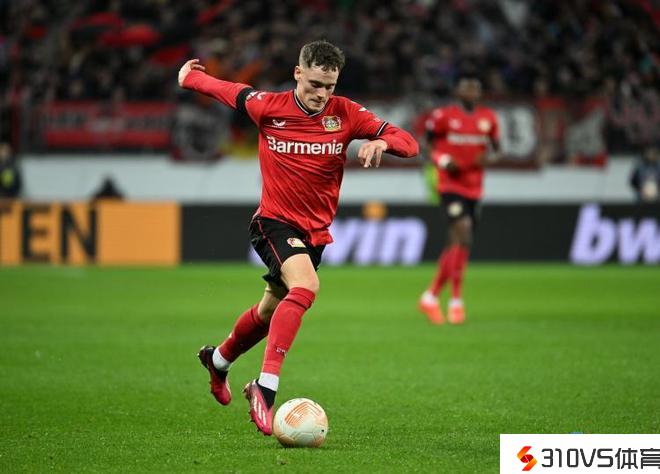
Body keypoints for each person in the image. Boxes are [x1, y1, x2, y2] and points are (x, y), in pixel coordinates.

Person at [178, 41, 418, 436]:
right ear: (298, 73)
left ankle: (218, 361)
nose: (322, 94)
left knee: (269, 311)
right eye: (315, 84)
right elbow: (227, 90)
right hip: (273, 222)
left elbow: (409, 142)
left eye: (329, 86)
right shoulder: (268, 107)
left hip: (315, 233)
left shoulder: (346, 113)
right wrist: (190, 78)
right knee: (306, 287)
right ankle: (266, 386)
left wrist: (381, 141)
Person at [418, 73, 500, 325]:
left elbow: (497, 149)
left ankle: (431, 296)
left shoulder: (488, 118)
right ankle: (455, 300)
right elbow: (425, 144)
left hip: (474, 187)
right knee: (463, 232)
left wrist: (489, 158)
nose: (472, 93)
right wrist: (442, 160)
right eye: (467, 88)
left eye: (475, 89)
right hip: (449, 184)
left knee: (459, 241)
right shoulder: (443, 116)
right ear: (458, 92)